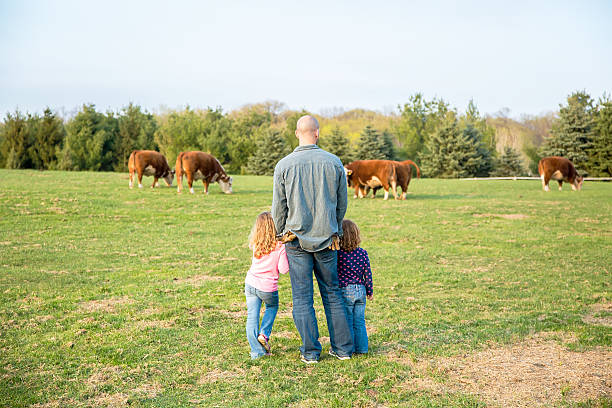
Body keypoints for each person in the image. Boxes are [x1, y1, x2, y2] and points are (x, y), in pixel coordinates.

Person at [272, 115, 353, 363]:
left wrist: (279, 233)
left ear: (298, 133)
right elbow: (342, 204)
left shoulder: (284, 165)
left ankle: (310, 352)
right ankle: (343, 349)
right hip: (327, 239)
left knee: (302, 297)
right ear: (316, 133)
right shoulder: (334, 162)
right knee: (332, 292)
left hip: (296, 239)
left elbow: (279, 207)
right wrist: (336, 230)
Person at [244, 211, 289, 360]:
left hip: (250, 283)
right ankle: (264, 334)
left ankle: (256, 353)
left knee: (252, 317)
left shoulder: (256, 243)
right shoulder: (280, 246)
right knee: (272, 307)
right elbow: (284, 270)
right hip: (267, 287)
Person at [337, 219, 373, 354]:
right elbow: (367, 274)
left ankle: (349, 349)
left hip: (345, 290)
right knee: (359, 321)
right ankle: (362, 348)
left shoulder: (339, 254)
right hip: (361, 290)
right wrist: (370, 291)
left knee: (348, 322)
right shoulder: (363, 253)